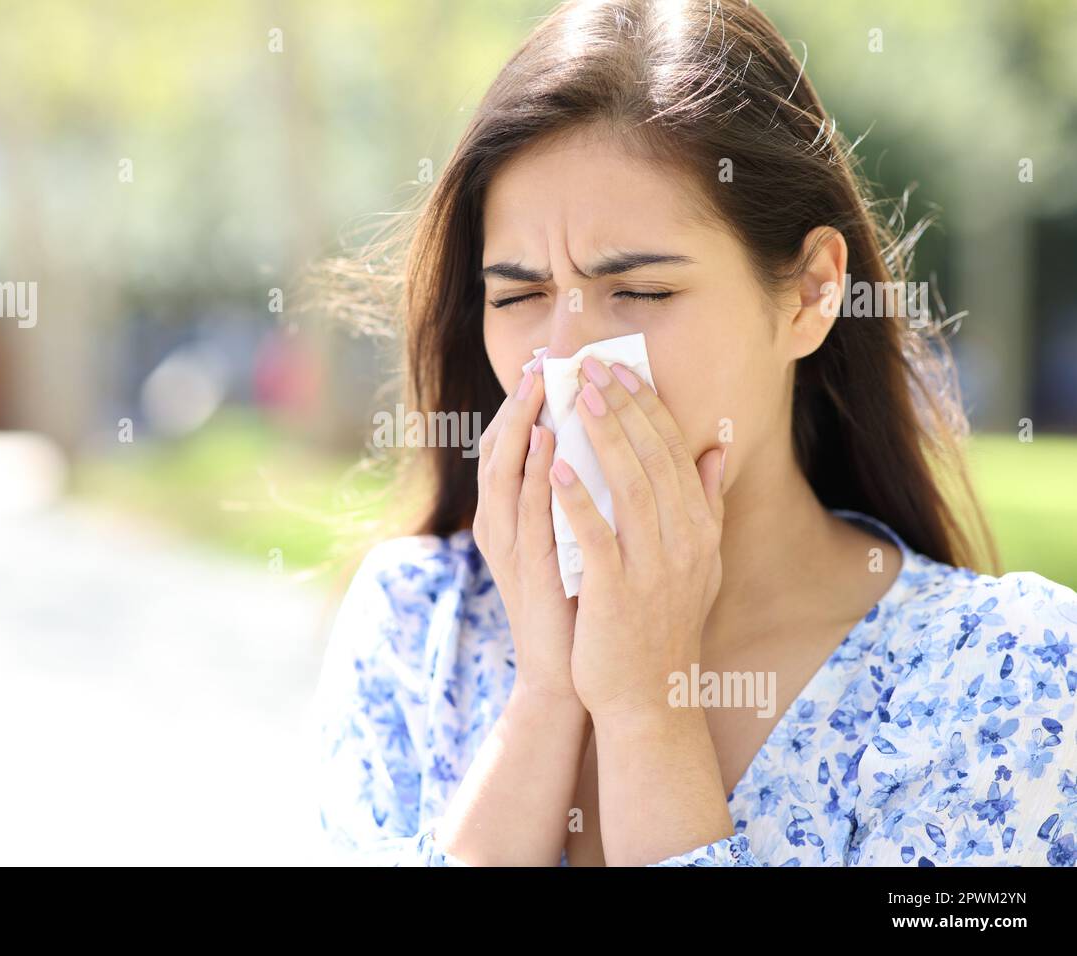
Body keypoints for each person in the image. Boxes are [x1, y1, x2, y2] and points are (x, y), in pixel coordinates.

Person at [310, 0, 1077, 866]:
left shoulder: (1002, 678)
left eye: (640, 293)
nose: (565, 359)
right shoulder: (416, 627)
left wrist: (650, 711)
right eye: (518, 298)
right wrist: (546, 700)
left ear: (812, 293)